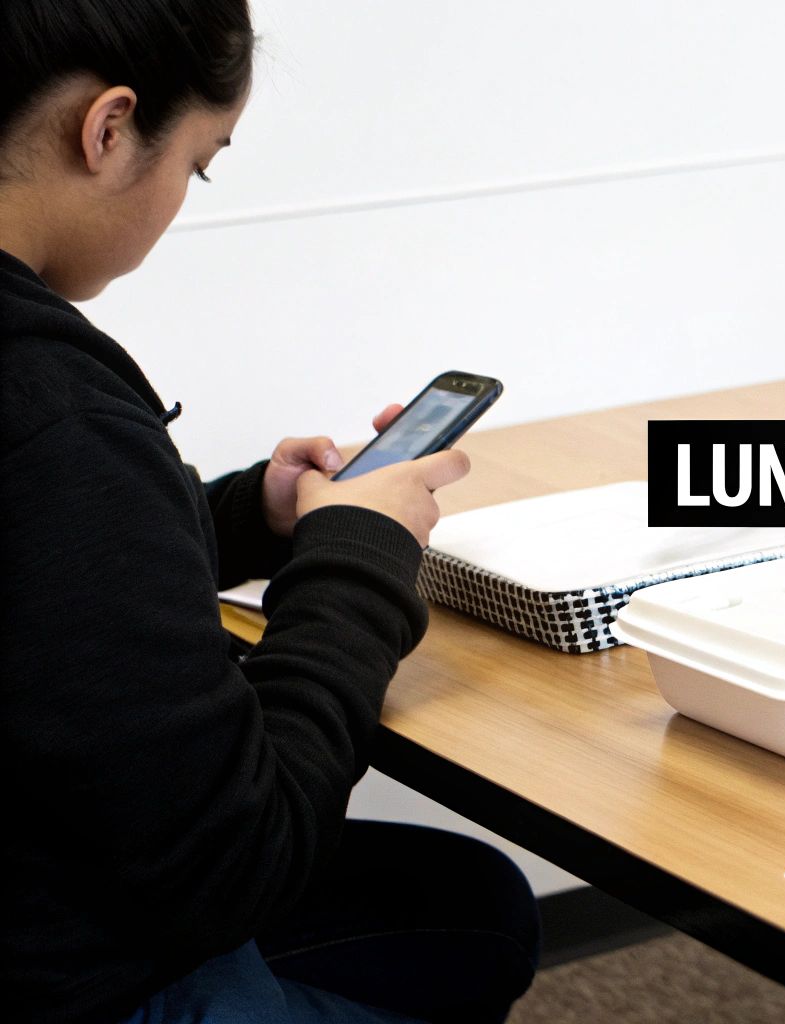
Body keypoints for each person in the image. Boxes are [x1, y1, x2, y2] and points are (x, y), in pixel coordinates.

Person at [0, 2, 540, 1021]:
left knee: (472, 905)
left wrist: (255, 514)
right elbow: (241, 857)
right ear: (108, 128)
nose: (182, 199)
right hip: (82, 972)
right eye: (198, 165)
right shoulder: (50, 410)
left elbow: (54, 584)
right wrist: (358, 559)